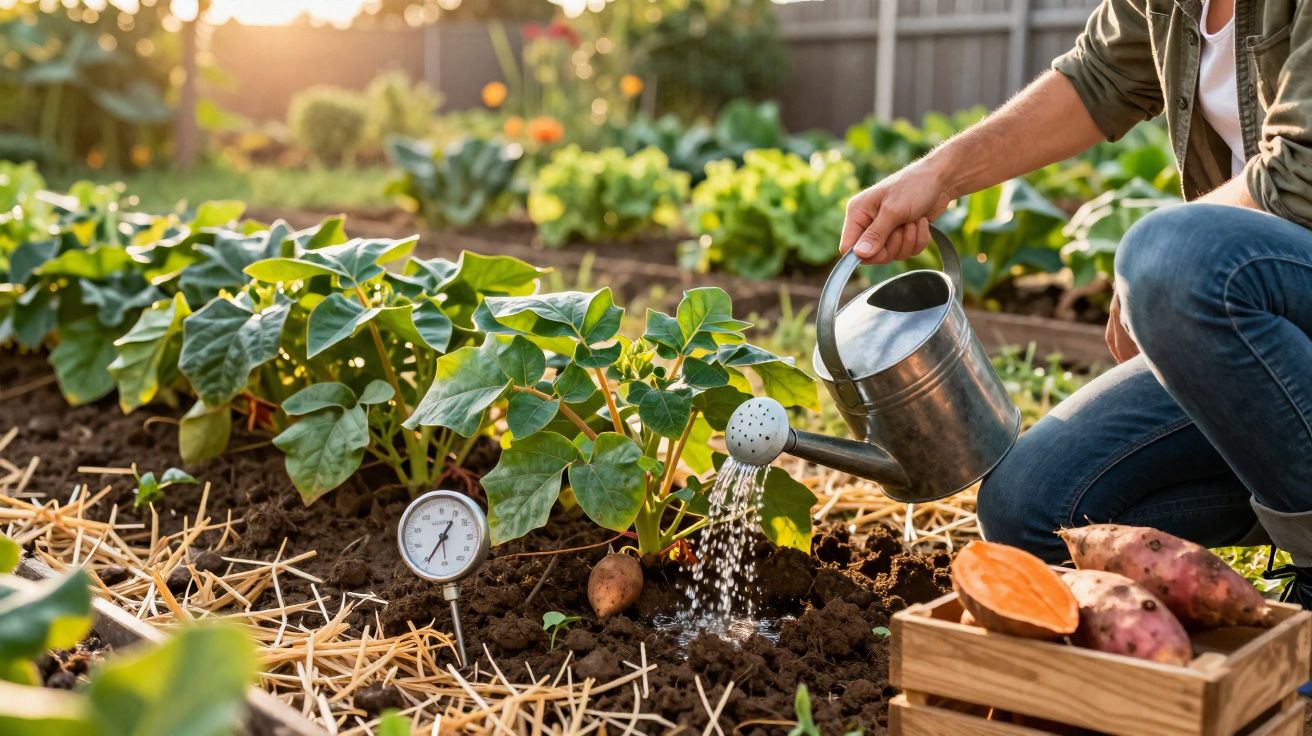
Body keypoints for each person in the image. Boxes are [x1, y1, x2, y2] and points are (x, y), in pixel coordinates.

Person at [839, 0, 1312, 606]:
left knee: (1170, 254)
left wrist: (1165, 266)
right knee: (1035, 510)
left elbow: (1301, 172)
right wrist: (938, 176)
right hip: (1279, 345)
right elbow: (1095, 78)